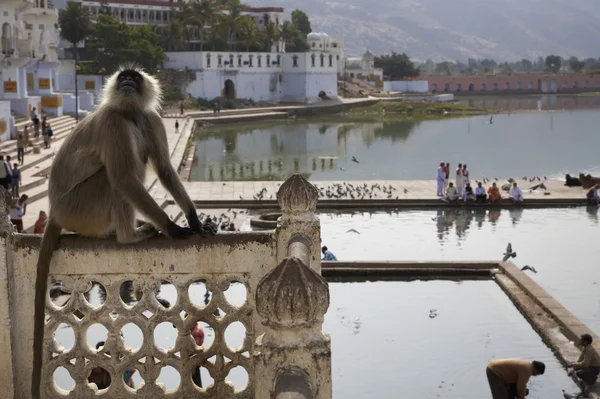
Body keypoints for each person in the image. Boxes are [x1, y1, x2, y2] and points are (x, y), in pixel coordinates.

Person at [191, 322, 205, 387]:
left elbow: (196, 346)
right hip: (194, 354)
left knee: (195, 377)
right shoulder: (194, 329)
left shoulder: (196, 331)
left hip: (194, 355)